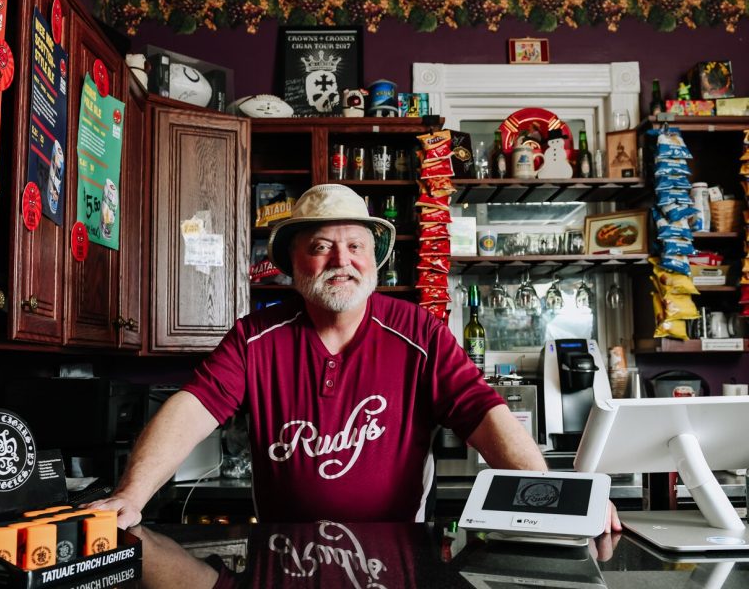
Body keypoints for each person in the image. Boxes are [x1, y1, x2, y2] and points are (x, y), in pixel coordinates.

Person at [91, 184, 620, 531]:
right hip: (284, 557)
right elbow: (194, 406)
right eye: (321, 246)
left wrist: (562, 499)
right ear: (292, 262)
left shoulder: (419, 332)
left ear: (374, 261)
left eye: (356, 247)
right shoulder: (256, 336)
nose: (341, 261)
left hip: (394, 558)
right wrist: (131, 495)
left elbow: (484, 413)